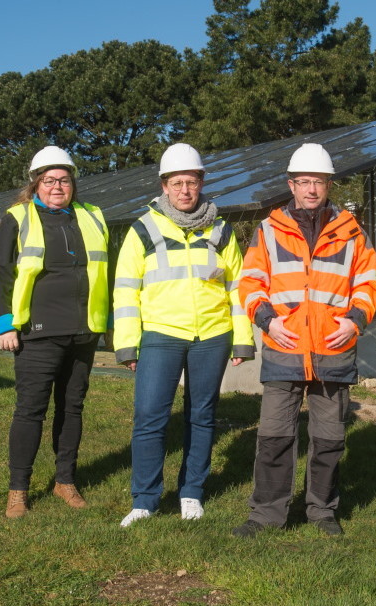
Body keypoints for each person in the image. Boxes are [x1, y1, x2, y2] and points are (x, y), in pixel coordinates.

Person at [232, 143, 376, 538]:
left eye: (319, 181)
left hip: (333, 349)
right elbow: (248, 283)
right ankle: (266, 515)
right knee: (275, 437)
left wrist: (355, 321)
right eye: (304, 182)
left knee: (329, 440)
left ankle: (322, 511)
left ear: (328, 184)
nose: (312, 189)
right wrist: (266, 320)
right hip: (284, 347)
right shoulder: (268, 229)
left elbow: (368, 285)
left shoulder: (352, 231)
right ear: (291, 184)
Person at [114, 143, 255, 527]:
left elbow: (237, 289)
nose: (185, 190)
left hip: (212, 335)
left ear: (201, 182)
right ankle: (144, 499)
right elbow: (126, 289)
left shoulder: (221, 229)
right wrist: (127, 342)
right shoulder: (143, 228)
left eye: (191, 182)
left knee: (202, 415)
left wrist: (242, 338)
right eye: (177, 183)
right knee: (149, 416)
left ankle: (191, 492)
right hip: (160, 334)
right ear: (164, 186)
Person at [0, 145, 110, 518]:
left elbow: (105, 270)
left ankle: (65, 481)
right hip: (37, 333)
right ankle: (18, 490)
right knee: (30, 411)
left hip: (83, 331)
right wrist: (4, 323)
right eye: (49, 180)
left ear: (73, 184)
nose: (57, 186)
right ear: (36, 184)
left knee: (72, 408)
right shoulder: (18, 217)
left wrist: (107, 326)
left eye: (64, 180)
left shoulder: (93, 215)